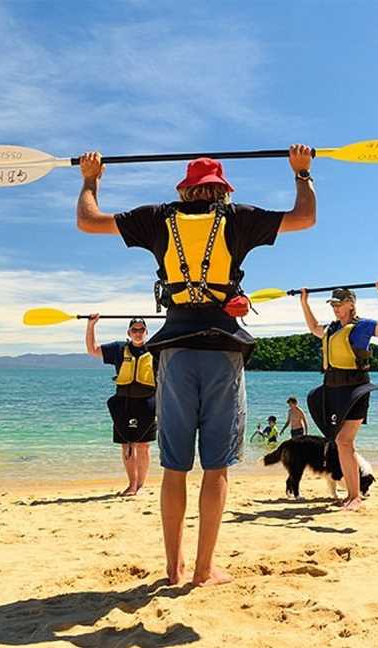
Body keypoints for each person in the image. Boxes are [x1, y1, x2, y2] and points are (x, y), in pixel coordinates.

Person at [76, 144, 315, 586]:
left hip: (175, 354)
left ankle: (174, 569)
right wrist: (301, 172)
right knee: (216, 468)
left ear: (185, 191)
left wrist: (91, 178)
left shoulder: (155, 217)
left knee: (174, 468)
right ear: (222, 192)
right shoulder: (238, 217)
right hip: (222, 353)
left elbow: (88, 221)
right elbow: (305, 217)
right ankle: (204, 570)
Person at [301, 283, 378, 511]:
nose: (335, 308)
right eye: (333, 304)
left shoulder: (361, 327)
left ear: (351, 304)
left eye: (339, 304)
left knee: (344, 441)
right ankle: (352, 495)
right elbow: (314, 327)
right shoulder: (332, 329)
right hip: (332, 389)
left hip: (356, 389)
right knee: (341, 443)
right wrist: (304, 302)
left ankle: (355, 497)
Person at [85, 315, 156, 496]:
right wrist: (91, 325)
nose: (138, 333)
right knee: (126, 445)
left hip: (147, 402)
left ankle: (140, 485)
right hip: (124, 402)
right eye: (135, 330)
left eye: (141, 330)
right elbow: (92, 350)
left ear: (146, 332)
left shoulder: (156, 350)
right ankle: (131, 485)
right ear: (129, 332)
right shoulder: (119, 349)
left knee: (143, 446)